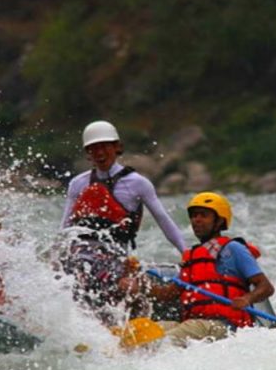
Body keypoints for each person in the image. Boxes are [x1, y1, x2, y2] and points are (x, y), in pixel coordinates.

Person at [59, 120, 187, 324]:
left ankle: (126, 326)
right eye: (93, 149)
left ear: (117, 147)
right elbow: (65, 229)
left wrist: (187, 254)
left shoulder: (138, 184)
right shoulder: (78, 184)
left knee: (128, 287)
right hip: (80, 256)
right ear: (87, 153)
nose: (99, 153)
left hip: (114, 257)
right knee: (66, 278)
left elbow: (164, 221)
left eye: (104, 147)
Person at [146, 192, 275, 346]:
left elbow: (266, 287)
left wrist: (247, 299)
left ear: (220, 221)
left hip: (224, 325)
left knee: (163, 342)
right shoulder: (192, 256)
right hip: (194, 323)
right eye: (194, 216)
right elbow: (169, 294)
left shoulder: (233, 249)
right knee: (145, 332)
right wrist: (140, 285)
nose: (196, 220)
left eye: (203, 215)